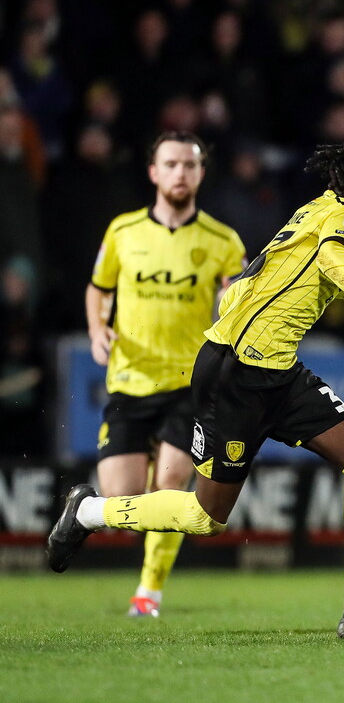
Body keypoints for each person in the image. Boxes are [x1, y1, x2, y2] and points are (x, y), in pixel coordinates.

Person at [49, 142, 344, 641]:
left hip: (273, 369)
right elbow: (335, 259)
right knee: (205, 517)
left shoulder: (320, 209)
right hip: (237, 372)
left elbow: (293, 278)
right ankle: (87, 511)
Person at [85, 131, 246, 617]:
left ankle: (147, 594)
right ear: (154, 172)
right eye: (171, 164)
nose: (181, 173)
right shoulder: (123, 232)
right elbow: (98, 289)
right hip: (130, 381)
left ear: (200, 173)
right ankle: (142, 571)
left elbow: (239, 297)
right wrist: (96, 328)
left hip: (187, 382)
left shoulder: (222, 240)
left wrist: (230, 300)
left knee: (172, 488)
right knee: (121, 501)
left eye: (190, 165)